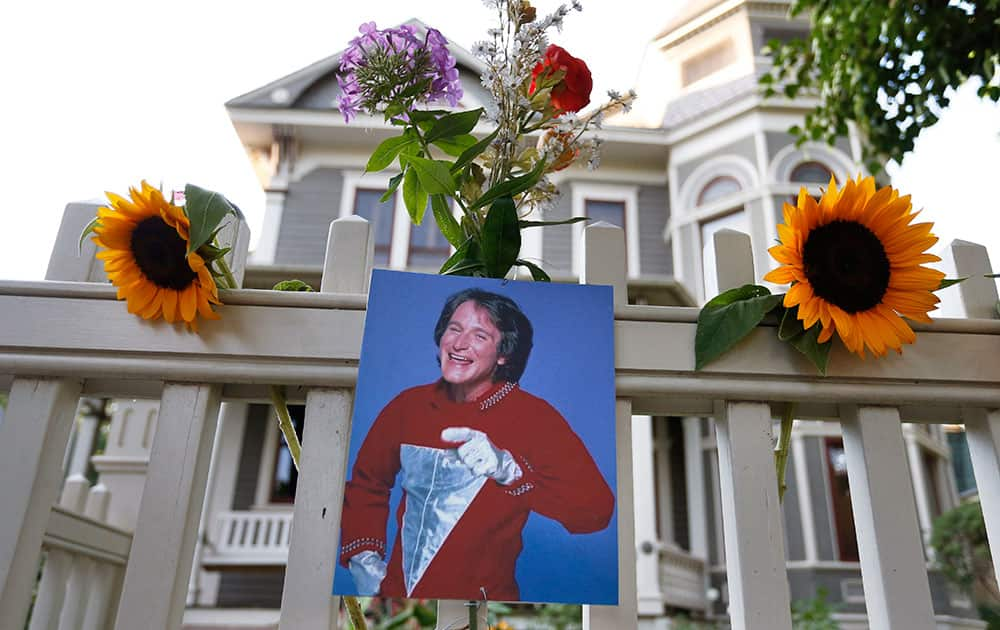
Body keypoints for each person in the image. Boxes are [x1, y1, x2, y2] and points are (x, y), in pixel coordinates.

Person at [339, 287, 614, 601]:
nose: (459, 343)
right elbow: (367, 483)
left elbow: (595, 512)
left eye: (479, 335)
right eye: (454, 329)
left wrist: (510, 471)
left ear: (503, 354)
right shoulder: (407, 406)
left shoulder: (536, 418)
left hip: (487, 608)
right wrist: (364, 555)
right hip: (397, 604)